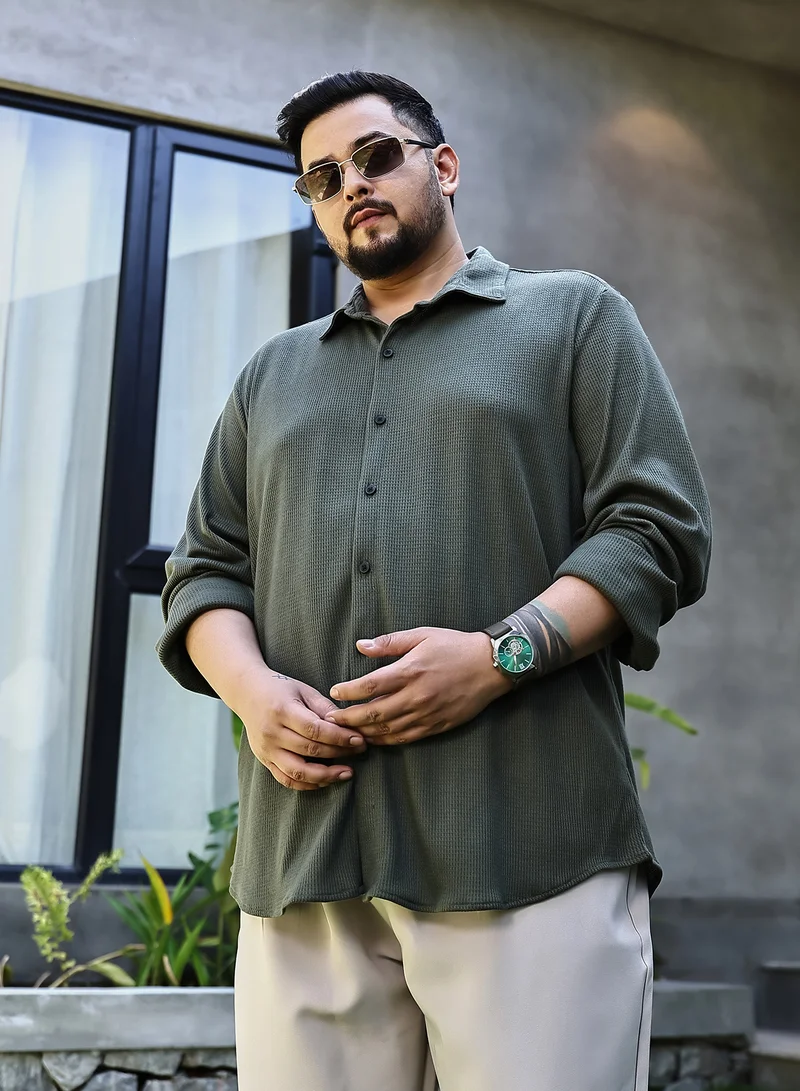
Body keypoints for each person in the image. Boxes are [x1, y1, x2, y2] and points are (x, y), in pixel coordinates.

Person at [157, 71, 712, 1091]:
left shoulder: (574, 318)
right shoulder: (270, 376)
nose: (351, 186)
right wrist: (252, 694)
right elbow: (204, 571)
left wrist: (499, 656)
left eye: (375, 156)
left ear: (442, 166)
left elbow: (656, 528)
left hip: (525, 845)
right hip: (307, 862)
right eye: (322, 178)